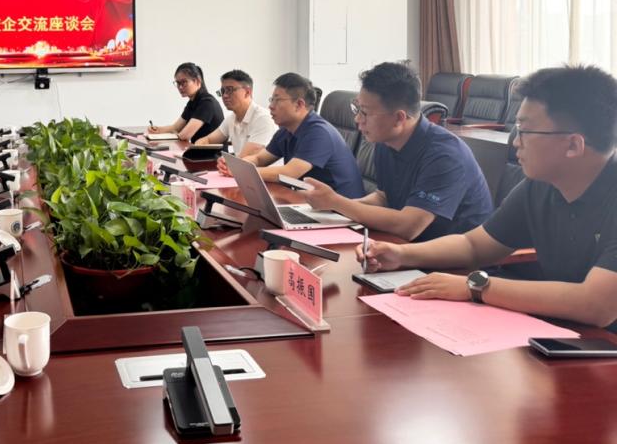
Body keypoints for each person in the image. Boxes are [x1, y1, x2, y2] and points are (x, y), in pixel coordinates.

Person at [361, 65, 617, 329]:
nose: (515, 141)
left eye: (525, 130)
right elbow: (474, 245)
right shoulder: (539, 187)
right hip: (569, 335)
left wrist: (476, 286)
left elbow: (596, 305)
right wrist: (401, 254)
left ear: (573, 145)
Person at [301, 61, 493, 241]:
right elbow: (384, 197)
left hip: (453, 260)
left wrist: (337, 203)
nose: (357, 119)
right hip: (406, 247)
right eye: (357, 109)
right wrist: (329, 209)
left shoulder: (445, 155)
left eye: (365, 112)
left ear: (399, 118)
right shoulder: (385, 142)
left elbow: (409, 226)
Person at [219, 73, 365, 197]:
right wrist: (236, 165)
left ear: (299, 104)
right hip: (311, 201)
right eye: (271, 99)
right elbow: (259, 158)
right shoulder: (286, 130)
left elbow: (289, 173)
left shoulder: (319, 133)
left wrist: (242, 172)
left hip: (340, 212)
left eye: (277, 100)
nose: (271, 106)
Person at [194, 69, 275, 158]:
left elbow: (246, 159)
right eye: (223, 91)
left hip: (255, 167)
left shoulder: (263, 118)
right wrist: (196, 150)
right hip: (238, 166)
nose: (224, 95)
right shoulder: (231, 119)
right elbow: (208, 140)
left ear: (247, 92)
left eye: (230, 90)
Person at [148, 62, 223, 142]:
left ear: (197, 81)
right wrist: (157, 129)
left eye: (184, 82)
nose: (180, 87)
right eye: (178, 83)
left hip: (210, 150)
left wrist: (171, 135)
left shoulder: (207, 103)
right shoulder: (192, 102)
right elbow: (175, 128)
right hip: (197, 148)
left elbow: (185, 135)